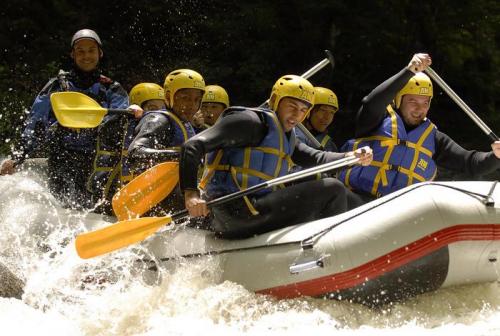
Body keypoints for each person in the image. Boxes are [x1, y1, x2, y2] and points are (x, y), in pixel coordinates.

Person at [180, 75, 373, 239]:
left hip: (255, 209)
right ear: (274, 100)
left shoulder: (285, 136)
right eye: (292, 106)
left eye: (303, 110)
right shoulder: (248, 122)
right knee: (333, 188)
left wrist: (350, 156)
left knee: (349, 197)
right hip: (234, 211)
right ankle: (329, 251)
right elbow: (192, 146)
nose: (296, 115)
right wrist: (191, 195)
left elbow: (317, 158)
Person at [339, 53, 500, 203]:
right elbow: (371, 102)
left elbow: (472, 164)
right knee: (335, 189)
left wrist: (496, 156)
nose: (419, 109)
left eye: (425, 103)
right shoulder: (375, 120)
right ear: (398, 100)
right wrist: (408, 71)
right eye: (412, 102)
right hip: (357, 202)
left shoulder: (435, 139)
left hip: (396, 211)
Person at [0, 29, 129, 209]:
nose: (86, 56)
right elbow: (36, 122)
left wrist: (133, 113)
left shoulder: (112, 89)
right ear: (73, 54)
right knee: (63, 208)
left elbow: (121, 119)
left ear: (100, 53)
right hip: (62, 156)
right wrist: (17, 157)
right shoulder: (57, 86)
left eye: (91, 50)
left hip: (97, 161)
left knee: (94, 208)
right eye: (80, 51)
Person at [127, 69, 205, 212]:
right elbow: (135, 152)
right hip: (154, 200)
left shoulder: (186, 124)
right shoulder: (159, 120)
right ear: (169, 96)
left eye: (196, 100)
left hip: (174, 198)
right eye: (185, 98)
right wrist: (181, 155)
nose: (192, 105)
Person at [86, 83, 163, 213]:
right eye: (152, 108)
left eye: (161, 109)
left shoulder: (158, 128)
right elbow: (105, 130)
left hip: (138, 194)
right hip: (108, 192)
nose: (156, 114)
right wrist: (124, 117)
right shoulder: (120, 124)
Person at [295, 86, 339, 151]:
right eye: (323, 110)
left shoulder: (329, 145)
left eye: (332, 112)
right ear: (308, 111)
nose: (327, 117)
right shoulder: (290, 133)